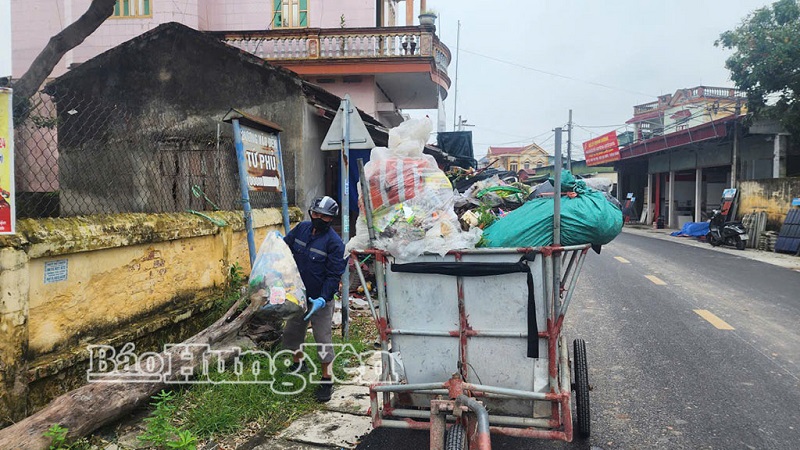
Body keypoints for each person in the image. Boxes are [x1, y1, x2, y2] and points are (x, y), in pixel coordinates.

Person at [281, 196, 347, 402]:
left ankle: (326, 380)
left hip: (320, 299)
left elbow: (333, 275)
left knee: (323, 338)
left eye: (324, 216)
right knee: (293, 331)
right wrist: (276, 243)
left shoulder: (335, 244)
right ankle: (299, 363)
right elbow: (286, 248)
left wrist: (322, 298)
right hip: (298, 294)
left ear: (331, 219)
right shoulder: (301, 229)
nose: (318, 218)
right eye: (316, 214)